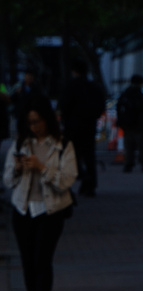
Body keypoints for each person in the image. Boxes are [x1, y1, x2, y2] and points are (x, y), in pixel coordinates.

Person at [5, 97, 78, 291]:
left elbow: (66, 180)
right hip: (23, 208)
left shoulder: (62, 144)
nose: (34, 126)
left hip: (50, 210)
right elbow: (7, 180)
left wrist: (42, 168)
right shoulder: (20, 144)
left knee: (42, 260)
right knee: (28, 262)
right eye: (30, 122)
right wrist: (18, 168)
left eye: (37, 121)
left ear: (47, 119)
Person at [59, 66, 106, 197]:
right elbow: (101, 105)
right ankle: (90, 184)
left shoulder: (71, 86)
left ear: (74, 71)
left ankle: (82, 176)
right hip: (89, 125)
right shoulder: (94, 87)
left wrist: (66, 120)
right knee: (89, 155)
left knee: (72, 155)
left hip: (73, 126)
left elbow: (64, 105)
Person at [116, 76, 143, 173]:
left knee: (129, 146)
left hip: (127, 124)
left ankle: (128, 164)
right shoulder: (140, 94)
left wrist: (121, 121)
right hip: (140, 124)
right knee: (142, 146)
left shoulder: (126, 92)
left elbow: (119, 106)